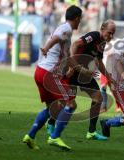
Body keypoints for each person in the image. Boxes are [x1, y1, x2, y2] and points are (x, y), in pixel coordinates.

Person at [22, 5, 82, 150]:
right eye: (80, 19)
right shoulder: (66, 29)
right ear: (77, 18)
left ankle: (30, 136)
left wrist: (79, 69)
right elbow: (55, 39)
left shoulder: (63, 29)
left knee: (52, 108)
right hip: (49, 74)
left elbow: (66, 56)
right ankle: (55, 137)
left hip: (40, 72)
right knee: (71, 104)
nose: (80, 22)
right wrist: (47, 47)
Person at [47, 20, 116, 140]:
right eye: (109, 32)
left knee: (98, 98)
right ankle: (51, 122)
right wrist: (71, 65)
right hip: (73, 72)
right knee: (66, 102)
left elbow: (98, 62)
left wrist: (108, 77)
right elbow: (76, 44)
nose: (111, 36)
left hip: (84, 74)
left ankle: (91, 132)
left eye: (112, 34)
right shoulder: (94, 36)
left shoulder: (102, 43)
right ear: (102, 28)